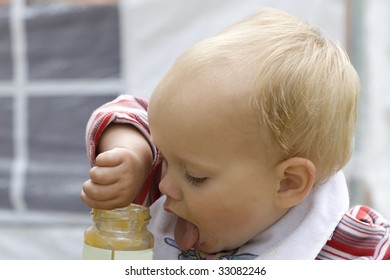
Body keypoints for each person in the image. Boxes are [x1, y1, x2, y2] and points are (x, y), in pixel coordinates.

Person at [81, 8, 390, 259]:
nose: (163, 184)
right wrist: (134, 154)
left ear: (288, 182)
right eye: (162, 158)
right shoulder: (165, 192)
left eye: (195, 176)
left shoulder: (355, 248)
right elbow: (127, 111)